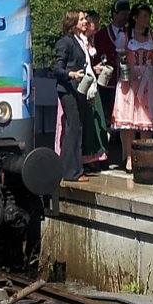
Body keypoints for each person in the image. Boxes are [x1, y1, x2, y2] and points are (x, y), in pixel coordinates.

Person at [111, 2, 153, 173]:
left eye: (148, 16)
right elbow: (119, 59)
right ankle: (129, 157)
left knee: (146, 121)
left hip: (148, 80)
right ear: (135, 18)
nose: (147, 19)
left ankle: (144, 156)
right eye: (144, 16)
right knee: (128, 122)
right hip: (129, 80)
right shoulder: (125, 37)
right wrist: (126, 69)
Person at [54, 10, 90, 182]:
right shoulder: (65, 42)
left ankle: (72, 168)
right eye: (81, 19)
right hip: (68, 89)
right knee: (74, 128)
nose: (85, 22)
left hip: (77, 89)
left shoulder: (78, 41)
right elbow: (57, 68)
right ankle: (71, 171)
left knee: (76, 128)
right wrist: (71, 75)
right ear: (73, 23)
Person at [94, 0, 131, 125]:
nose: (126, 17)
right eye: (123, 14)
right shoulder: (101, 35)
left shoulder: (131, 34)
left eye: (127, 14)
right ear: (115, 14)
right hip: (108, 83)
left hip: (126, 82)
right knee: (107, 116)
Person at [81, 10, 109, 171]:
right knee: (89, 122)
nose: (97, 26)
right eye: (94, 23)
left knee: (98, 120)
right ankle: (87, 157)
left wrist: (96, 68)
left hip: (93, 83)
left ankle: (97, 155)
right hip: (85, 85)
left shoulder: (91, 40)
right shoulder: (82, 41)